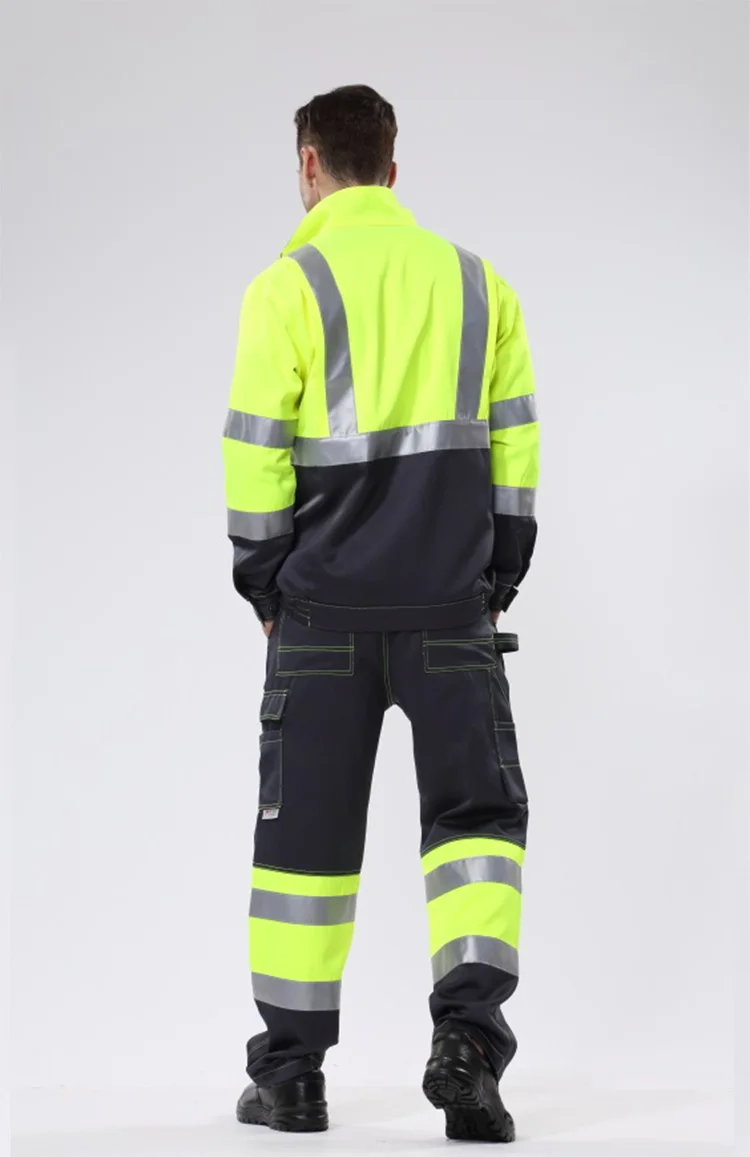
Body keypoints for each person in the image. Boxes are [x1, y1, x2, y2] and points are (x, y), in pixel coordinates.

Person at [222, 83, 539, 1143]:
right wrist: (496, 574)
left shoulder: (286, 287)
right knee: (475, 831)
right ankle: (469, 1051)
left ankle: (292, 1079)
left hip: (319, 617)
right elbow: (516, 443)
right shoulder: (480, 284)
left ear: (311, 166)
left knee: (303, 848)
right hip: (452, 609)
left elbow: (253, 451)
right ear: (393, 170)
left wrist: (267, 584)